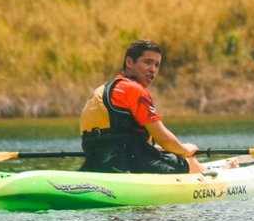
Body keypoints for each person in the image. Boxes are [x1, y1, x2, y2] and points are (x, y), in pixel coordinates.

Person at [79, 40, 208, 174]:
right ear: (129, 62)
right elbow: (164, 139)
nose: (153, 69)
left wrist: (159, 150)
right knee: (190, 162)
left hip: (98, 165)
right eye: (148, 62)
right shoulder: (135, 90)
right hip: (130, 166)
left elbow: (118, 141)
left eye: (157, 65)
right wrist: (185, 150)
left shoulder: (101, 90)